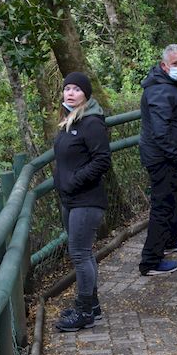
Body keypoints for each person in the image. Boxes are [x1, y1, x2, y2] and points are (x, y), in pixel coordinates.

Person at [53, 72, 111, 331]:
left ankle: (85, 310)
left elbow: (102, 161)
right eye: (67, 89)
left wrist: (73, 181)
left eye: (76, 89)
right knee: (81, 254)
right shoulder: (69, 120)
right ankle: (93, 305)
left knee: (80, 254)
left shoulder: (92, 123)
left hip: (86, 200)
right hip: (71, 199)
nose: (70, 93)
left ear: (86, 94)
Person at [138, 44, 177, 276]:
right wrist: (175, 156)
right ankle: (150, 262)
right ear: (164, 66)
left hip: (167, 155)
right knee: (163, 206)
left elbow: (172, 123)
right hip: (161, 158)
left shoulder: (167, 85)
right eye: (176, 64)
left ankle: (169, 240)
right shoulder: (159, 90)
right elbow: (160, 131)